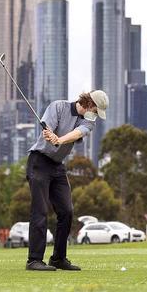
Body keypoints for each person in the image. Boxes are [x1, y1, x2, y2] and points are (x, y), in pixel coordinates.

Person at [25, 90, 109, 271]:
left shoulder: (88, 121)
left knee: (67, 211)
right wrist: (50, 135)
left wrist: (59, 139)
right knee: (40, 210)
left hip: (57, 166)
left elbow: (77, 134)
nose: (95, 115)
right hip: (39, 161)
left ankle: (58, 258)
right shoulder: (58, 106)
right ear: (89, 103)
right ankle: (34, 260)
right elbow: (48, 128)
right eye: (95, 110)